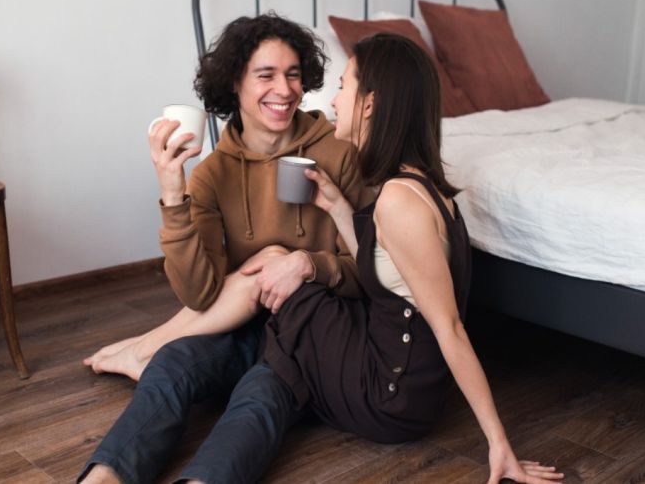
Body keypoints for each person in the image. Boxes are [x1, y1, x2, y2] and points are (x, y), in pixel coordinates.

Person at [151, 33, 564, 483]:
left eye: (344, 86)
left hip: (389, 395)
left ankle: (163, 356)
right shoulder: (413, 186)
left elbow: (450, 328)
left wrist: (499, 445)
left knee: (286, 284)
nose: (332, 99)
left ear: (369, 104)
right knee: (287, 313)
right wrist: (336, 205)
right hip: (401, 380)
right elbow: (384, 268)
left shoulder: (398, 203)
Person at [78, 14, 369, 483]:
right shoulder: (213, 173)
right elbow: (199, 293)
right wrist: (174, 193)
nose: (285, 89)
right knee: (171, 364)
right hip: (247, 328)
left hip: (313, 333)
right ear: (235, 82)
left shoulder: (338, 153)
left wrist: (306, 264)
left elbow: (369, 272)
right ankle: (104, 477)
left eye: (294, 74)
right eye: (266, 75)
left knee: (260, 393)